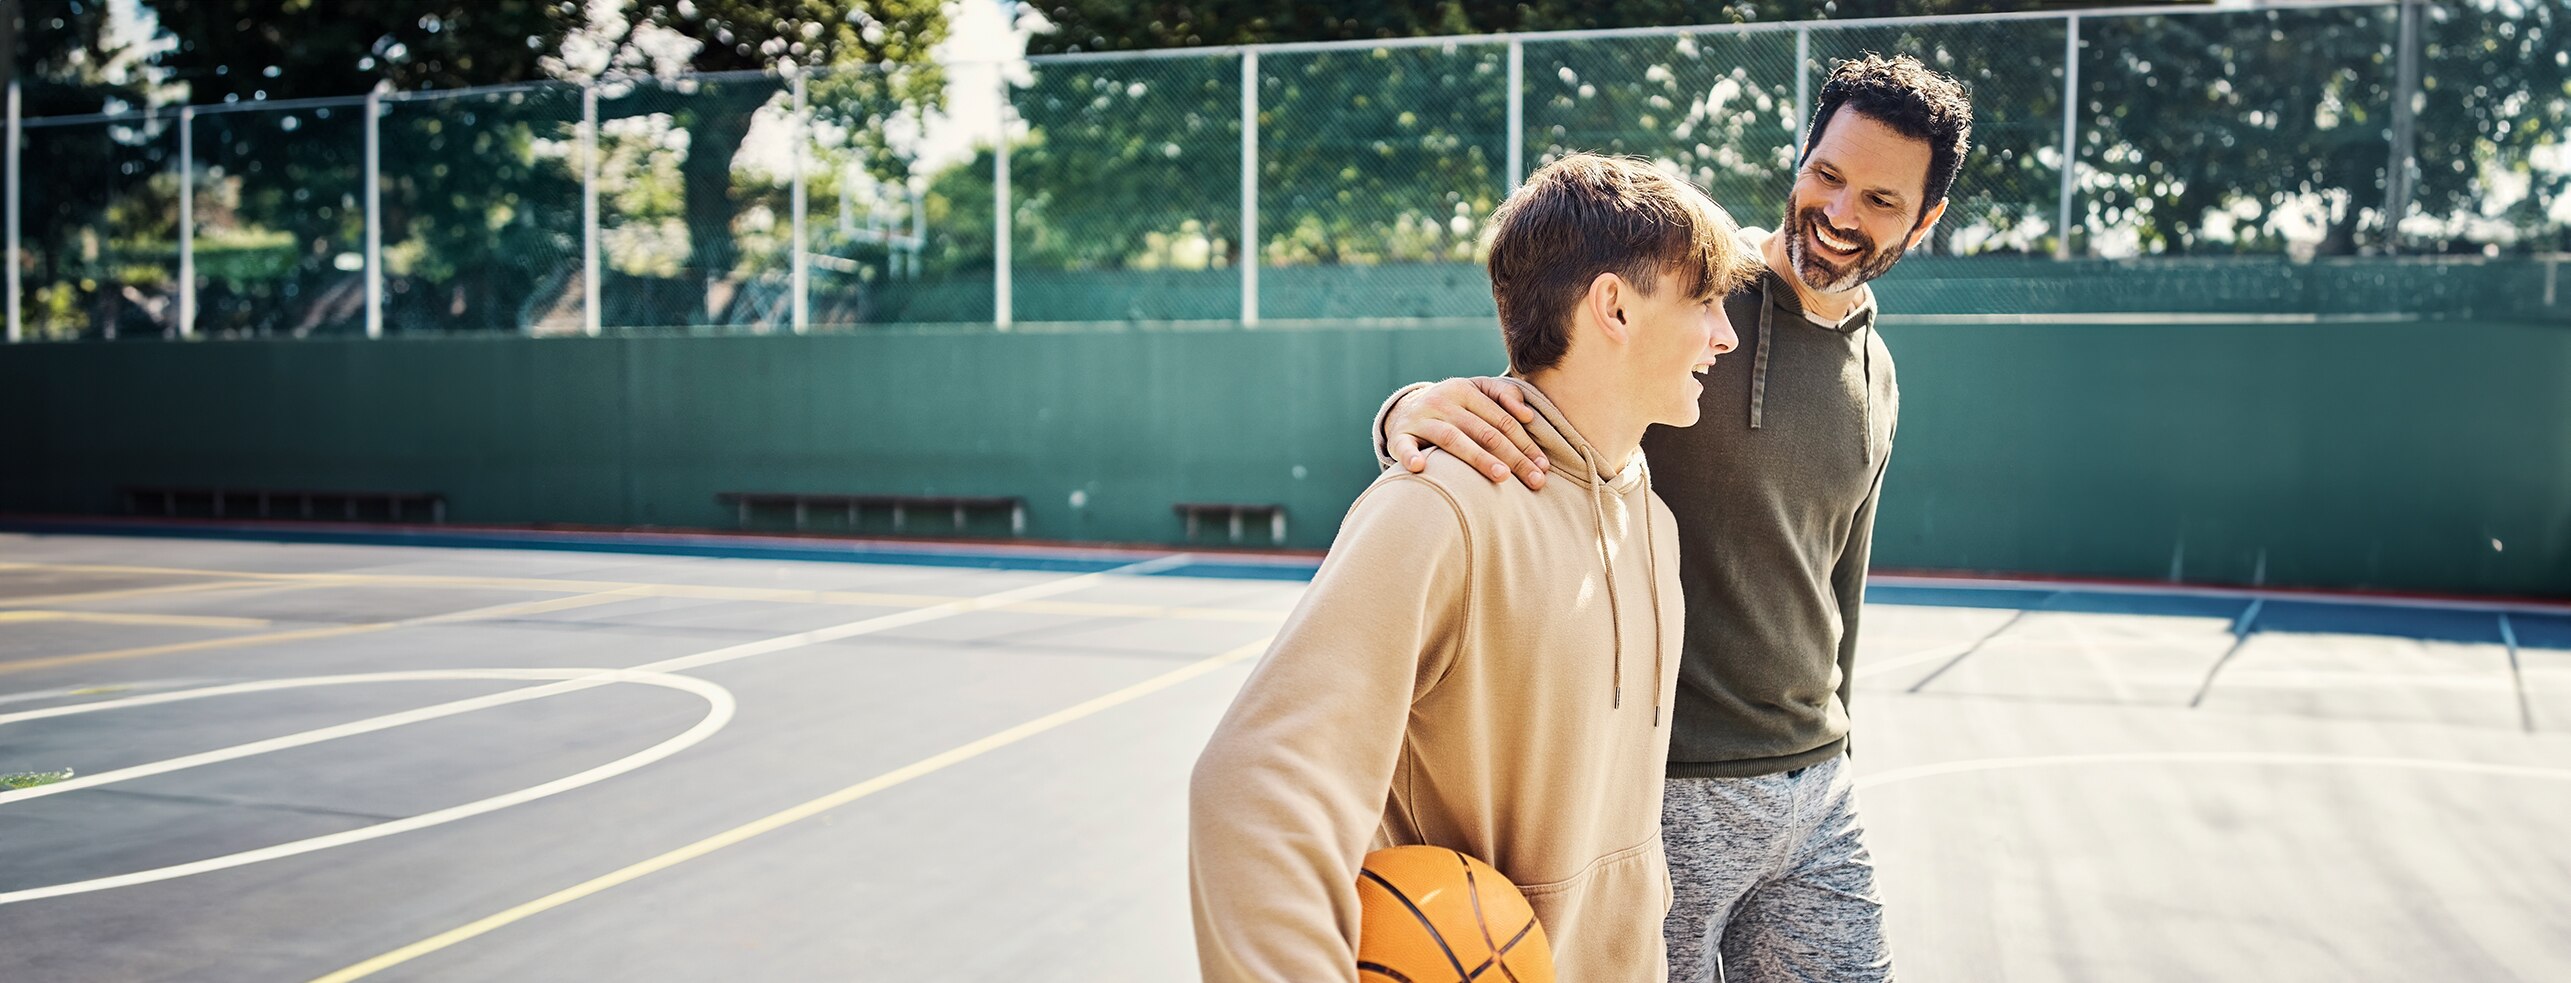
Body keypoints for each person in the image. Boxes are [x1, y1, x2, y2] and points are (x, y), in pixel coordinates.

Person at [1370, 54, 1975, 981]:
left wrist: (1839, 738)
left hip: (1813, 786)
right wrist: (1406, 408)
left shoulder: (1877, 372)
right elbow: (1538, 379)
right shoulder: (1694, 295)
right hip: (1664, 790)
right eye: (1826, 174)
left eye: (1881, 201)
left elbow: (1839, 575)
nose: (1840, 213)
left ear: (1927, 217)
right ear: (1801, 155)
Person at [1189, 153, 1761, 982]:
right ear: (1613, 307)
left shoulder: (1654, 523)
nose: (1724, 333)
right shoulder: (1437, 508)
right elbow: (1251, 791)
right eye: (1703, 300)